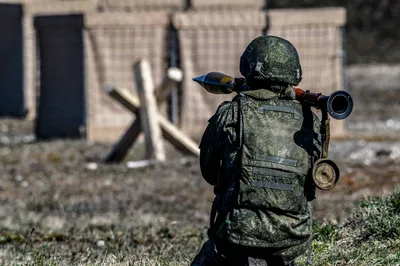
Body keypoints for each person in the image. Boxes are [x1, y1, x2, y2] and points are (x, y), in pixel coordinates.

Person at [191, 35, 322, 266]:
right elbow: (312, 181)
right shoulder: (309, 120)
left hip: (238, 234)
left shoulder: (230, 113)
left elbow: (209, 171)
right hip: (294, 236)